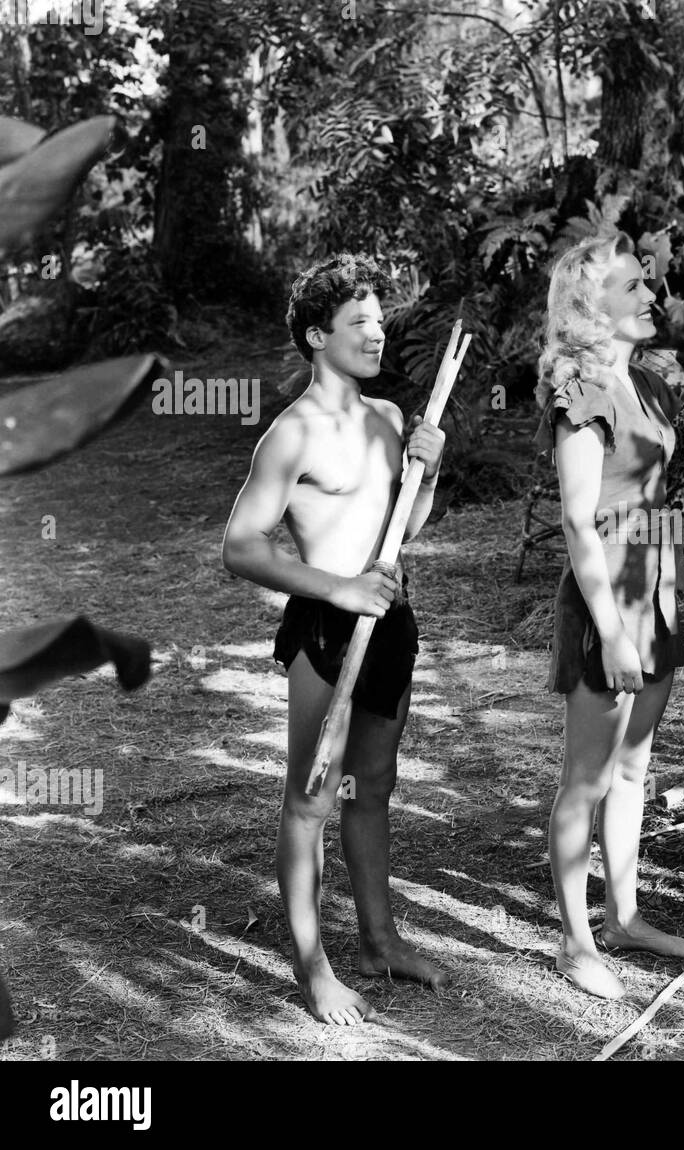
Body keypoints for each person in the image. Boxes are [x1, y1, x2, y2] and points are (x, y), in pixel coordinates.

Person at [222, 253, 449, 1026]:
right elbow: (241, 546)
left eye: (380, 321)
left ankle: (379, 941)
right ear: (318, 336)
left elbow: (403, 530)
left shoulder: (388, 418)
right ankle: (312, 966)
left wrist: (430, 473)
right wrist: (339, 589)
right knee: (311, 797)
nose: (377, 334)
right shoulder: (293, 433)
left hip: (390, 625)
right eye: (359, 323)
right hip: (326, 628)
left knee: (372, 788)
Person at [536, 231, 684, 1000]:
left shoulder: (650, 384)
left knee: (633, 768)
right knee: (587, 779)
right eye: (632, 286)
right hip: (606, 608)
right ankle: (575, 943)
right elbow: (577, 523)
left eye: (647, 283)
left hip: (654, 598)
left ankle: (624, 916)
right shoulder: (583, 396)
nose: (650, 295)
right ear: (590, 307)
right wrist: (609, 631)